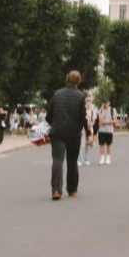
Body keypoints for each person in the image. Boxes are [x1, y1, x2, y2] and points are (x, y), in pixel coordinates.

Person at [47, 71, 89, 200]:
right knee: (72, 161)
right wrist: (88, 132)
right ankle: (72, 190)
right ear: (79, 81)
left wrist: (54, 124)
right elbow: (83, 117)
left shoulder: (57, 94)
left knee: (57, 160)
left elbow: (49, 115)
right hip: (73, 134)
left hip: (57, 132)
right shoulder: (81, 96)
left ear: (66, 79)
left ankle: (56, 190)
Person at [97, 100, 116, 165]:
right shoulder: (100, 110)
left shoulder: (112, 110)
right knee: (101, 144)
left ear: (109, 103)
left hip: (109, 130)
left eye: (106, 103)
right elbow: (100, 120)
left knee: (108, 144)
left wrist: (105, 122)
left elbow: (115, 120)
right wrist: (102, 110)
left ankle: (108, 158)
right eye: (104, 103)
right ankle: (102, 158)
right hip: (101, 130)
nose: (105, 104)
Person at [79, 95, 95, 167]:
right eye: (87, 101)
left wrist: (91, 124)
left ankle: (87, 159)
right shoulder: (82, 110)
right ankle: (80, 160)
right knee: (82, 145)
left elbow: (93, 121)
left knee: (88, 145)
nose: (88, 102)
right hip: (82, 130)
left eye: (89, 101)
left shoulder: (92, 111)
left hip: (89, 129)